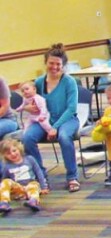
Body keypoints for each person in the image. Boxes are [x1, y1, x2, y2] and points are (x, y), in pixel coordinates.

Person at [22, 43, 80, 192]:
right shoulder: (39, 82)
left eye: (58, 64)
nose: (54, 67)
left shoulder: (69, 82)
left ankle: (72, 177)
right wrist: (28, 107)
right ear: (45, 62)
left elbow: (71, 108)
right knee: (27, 138)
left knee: (64, 137)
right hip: (45, 120)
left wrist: (55, 127)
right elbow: (31, 101)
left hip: (68, 119)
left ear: (63, 65)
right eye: (51, 63)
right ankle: (40, 174)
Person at [0, 139, 49, 213]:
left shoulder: (30, 159)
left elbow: (39, 173)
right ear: (5, 156)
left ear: (19, 149)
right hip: (19, 189)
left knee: (34, 184)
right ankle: (4, 203)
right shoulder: (7, 166)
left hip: (30, 185)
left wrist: (44, 187)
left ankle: (33, 201)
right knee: (5, 181)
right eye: (8, 153)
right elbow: (4, 180)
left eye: (14, 150)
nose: (13, 154)